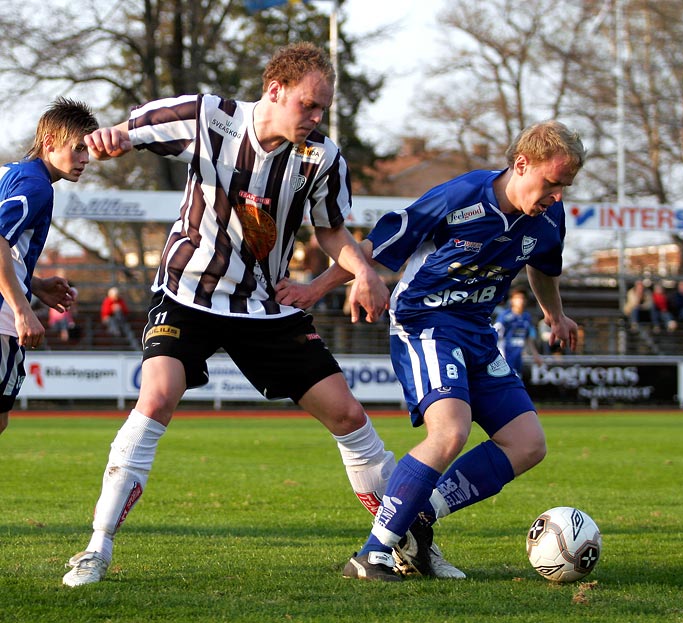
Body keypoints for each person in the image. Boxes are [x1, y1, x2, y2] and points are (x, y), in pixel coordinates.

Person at [62, 42, 461, 587]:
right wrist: (110, 140)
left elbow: (331, 231)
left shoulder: (322, 157)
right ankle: (96, 548)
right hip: (187, 294)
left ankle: (410, 544)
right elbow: (129, 131)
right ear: (274, 91)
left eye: (324, 109)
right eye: (310, 105)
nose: (317, 118)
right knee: (155, 398)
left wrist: (364, 272)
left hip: (265, 306)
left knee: (349, 418)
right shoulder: (209, 117)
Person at [277, 120, 586, 580]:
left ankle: (417, 520)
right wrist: (318, 286)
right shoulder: (459, 197)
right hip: (425, 321)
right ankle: (372, 554)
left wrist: (554, 315)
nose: (558, 195)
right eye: (553, 182)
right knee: (450, 432)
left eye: (566, 186)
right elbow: (375, 247)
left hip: (478, 332)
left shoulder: (548, 216)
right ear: (522, 164)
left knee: (527, 444)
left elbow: (544, 266)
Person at [0, 98, 97, 435]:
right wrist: (22, 309)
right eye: (79, 148)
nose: (85, 159)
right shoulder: (36, 187)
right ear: (50, 143)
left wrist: (35, 284)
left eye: (89, 151)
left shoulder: (12, 172)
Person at [493, 285, 543, 376]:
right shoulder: (505, 317)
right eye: (518, 298)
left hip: (518, 357)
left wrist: (535, 354)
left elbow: (528, 338)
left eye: (523, 298)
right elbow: (496, 335)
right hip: (505, 356)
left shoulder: (526, 317)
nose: (521, 301)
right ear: (512, 300)